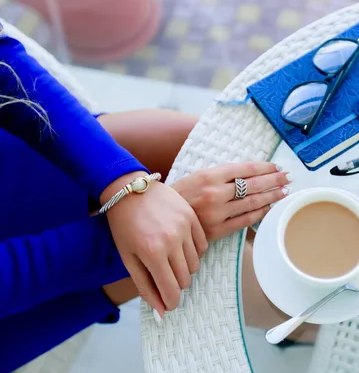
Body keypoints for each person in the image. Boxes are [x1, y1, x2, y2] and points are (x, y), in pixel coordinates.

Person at [0, 23, 302, 371]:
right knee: (201, 256)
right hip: (12, 296)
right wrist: (142, 234)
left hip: (14, 160)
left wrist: (120, 179)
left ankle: (290, 250)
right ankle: (302, 317)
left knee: (217, 157)